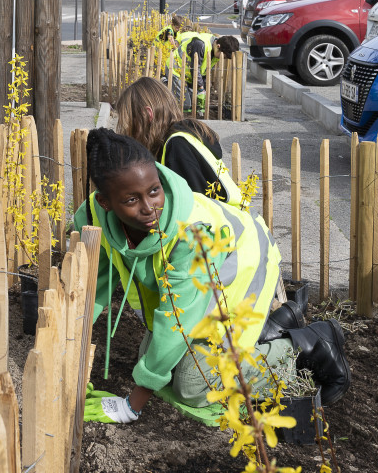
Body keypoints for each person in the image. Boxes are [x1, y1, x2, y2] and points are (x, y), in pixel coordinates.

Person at [73, 129, 350, 423]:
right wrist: (71, 355)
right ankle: (278, 324)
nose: (149, 207)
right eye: (131, 200)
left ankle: (305, 346)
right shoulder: (93, 217)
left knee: (191, 385)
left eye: (154, 191)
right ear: (105, 203)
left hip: (240, 265)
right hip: (200, 283)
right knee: (157, 364)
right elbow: (92, 289)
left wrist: (132, 406)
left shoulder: (191, 232)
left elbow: (177, 319)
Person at [115, 76, 240, 207]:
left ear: (147, 114)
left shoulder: (177, 147)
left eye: (128, 123)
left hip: (222, 225)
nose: (127, 132)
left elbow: (191, 209)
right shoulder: (185, 136)